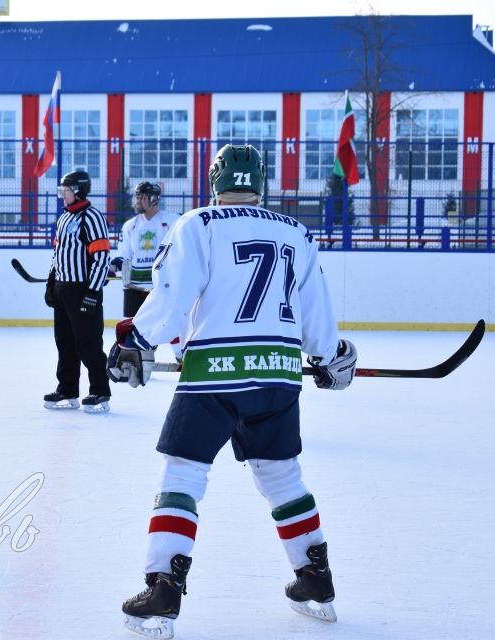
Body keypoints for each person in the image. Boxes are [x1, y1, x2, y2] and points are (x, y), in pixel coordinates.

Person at [110, 144, 357, 637]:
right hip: (278, 376)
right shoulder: (297, 232)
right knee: (283, 476)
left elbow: (172, 296)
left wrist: (135, 340)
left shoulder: (198, 224)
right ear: (260, 181)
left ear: (214, 177)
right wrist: (332, 356)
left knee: (183, 472)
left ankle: (163, 588)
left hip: (214, 374)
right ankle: (315, 578)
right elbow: (315, 312)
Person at [42, 170, 112, 413]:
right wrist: (52, 283)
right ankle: (68, 389)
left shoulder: (91, 217)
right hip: (63, 289)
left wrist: (92, 292)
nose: (63, 195)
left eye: (66, 190)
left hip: (83, 289)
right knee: (64, 343)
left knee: (88, 343)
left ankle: (100, 391)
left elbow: (102, 257)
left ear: (79, 190)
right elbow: (57, 254)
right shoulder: (64, 219)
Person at [112, 181, 183, 362]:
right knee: (134, 323)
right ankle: (139, 360)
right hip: (135, 285)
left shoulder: (172, 221)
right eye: (138, 197)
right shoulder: (130, 225)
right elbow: (124, 253)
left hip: (160, 284)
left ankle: (182, 357)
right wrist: (113, 267)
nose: (139, 201)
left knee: (167, 321)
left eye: (143, 197)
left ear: (154, 199)